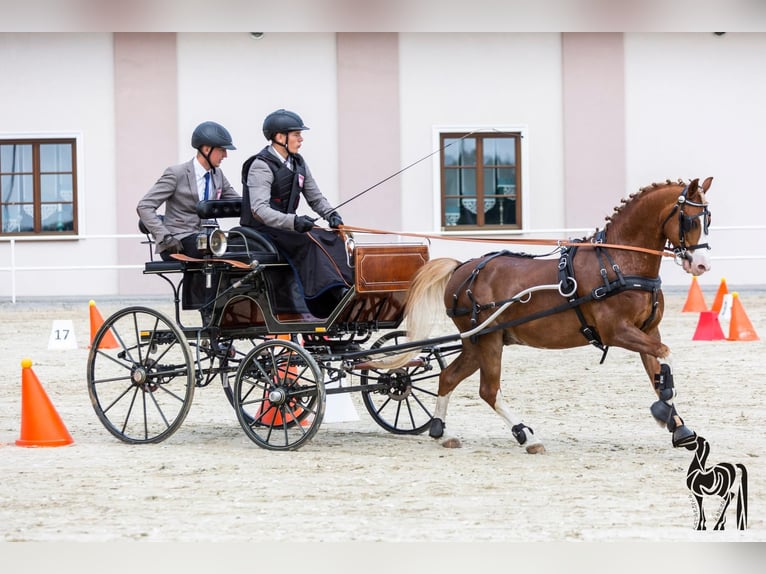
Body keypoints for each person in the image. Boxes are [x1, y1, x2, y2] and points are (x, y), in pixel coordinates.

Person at [240, 109, 353, 318]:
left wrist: (331, 215)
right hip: (263, 229)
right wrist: (294, 221)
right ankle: (327, 294)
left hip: (288, 226)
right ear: (279, 137)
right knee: (308, 241)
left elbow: (315, 198)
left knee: (330, 236)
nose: (301, 140)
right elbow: (260, 210)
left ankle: (345, 286)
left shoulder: (299, 163)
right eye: (296, 135)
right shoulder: (261, 166)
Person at [137, 121, 240, 321]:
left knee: (237, 247)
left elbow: (238, 202)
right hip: (177, 242)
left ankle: (225, 310)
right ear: (206, 149)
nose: (225, 155)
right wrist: (164, 236)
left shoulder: (218, 175)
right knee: (212, 248)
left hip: (207, 240)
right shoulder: (176, 174)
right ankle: (208, 311)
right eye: (222, 150)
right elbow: (144, 206)